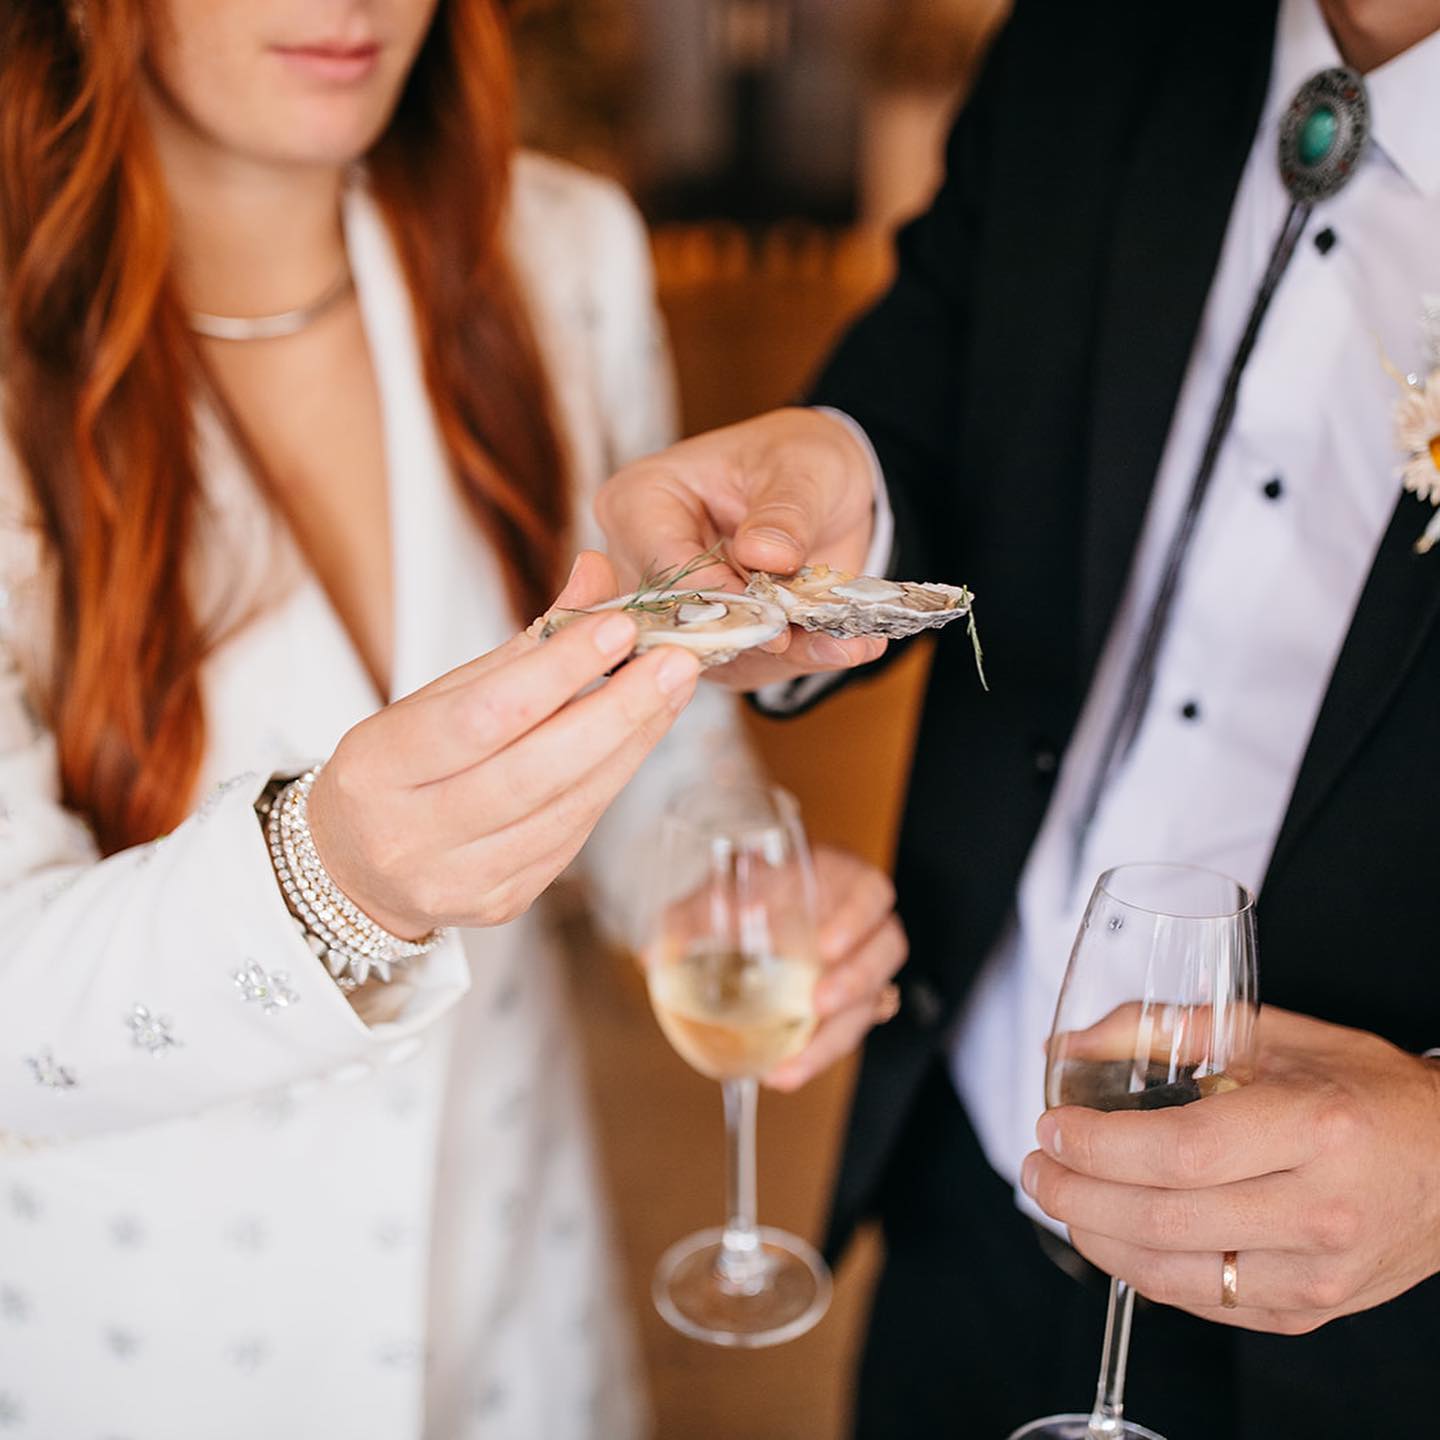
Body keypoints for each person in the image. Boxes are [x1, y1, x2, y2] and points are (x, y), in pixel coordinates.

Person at [0, 2, 906, 1436]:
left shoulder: (561, 251)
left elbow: (662, 745)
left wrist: (706, 898)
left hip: (516, 1276)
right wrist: (330, 884)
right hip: (143, 1336)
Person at [597, 0, 1440, 1435]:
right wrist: (823, 502)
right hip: (975, 1167)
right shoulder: (1089, 34)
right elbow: (927, 389)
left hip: (1375, 1330)